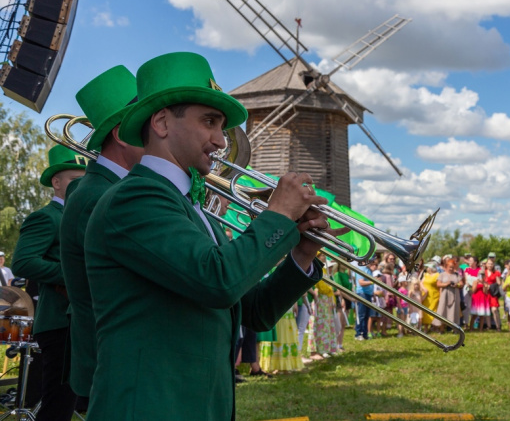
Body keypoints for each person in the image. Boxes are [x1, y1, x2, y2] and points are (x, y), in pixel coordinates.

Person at [83, 52, 333, 420]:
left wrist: (302, 254)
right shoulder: (134, 198)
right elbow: (218, 281)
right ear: (163, 122)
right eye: (210, 122)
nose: (220, 141)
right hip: (150, 407)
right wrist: (278, 215)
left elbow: (256, 311)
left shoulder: (192, 207)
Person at [59, 66, 144, 410]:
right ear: (123, 134)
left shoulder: (104, 188)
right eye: (148, 126)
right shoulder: (100, 195)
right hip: (116, 365)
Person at [12, 144, 87, 419]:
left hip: (78, 320)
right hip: (58, 320)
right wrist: (75, 274)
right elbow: (23, 262)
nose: (82, 187)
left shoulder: (79, 216)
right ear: (56, 183)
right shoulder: (47, 217)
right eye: (74, 181)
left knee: (68, 402)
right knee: (57, 405)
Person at [434, 258, 462, 332]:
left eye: (453, 267)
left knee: (454, 311)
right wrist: (446, 284)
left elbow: (461, 284)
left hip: (455, 295)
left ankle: (455, 329)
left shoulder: (456, 275)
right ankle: (441, 329)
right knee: (443, 311)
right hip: (444, 295)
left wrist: (457, 285)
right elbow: (438, 284)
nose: (451, 268)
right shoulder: (442, 274)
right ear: (446, 267)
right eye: (450, 267)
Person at [354, 261, 376, 340]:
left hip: (368, 294)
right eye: (372, 262)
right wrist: (372, 281)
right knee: (361, 315)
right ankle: (358, 333)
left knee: (367, 315)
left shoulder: (369, 270)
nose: (373, 264)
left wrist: (372, 294)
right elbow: (361, 282)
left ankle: (365, 333)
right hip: (362, 294)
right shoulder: (362, 269)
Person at [420, 264, 440, 333]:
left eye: (428, 267)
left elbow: (439, 285)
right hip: (426, 296)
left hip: (434, 295)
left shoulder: (437, 275)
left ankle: (435, 327)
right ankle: (425, 327)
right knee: (426, 311)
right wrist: (423, 288)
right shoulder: (425, 275)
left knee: (434, 311)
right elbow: (421, 283)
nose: (427, 268)